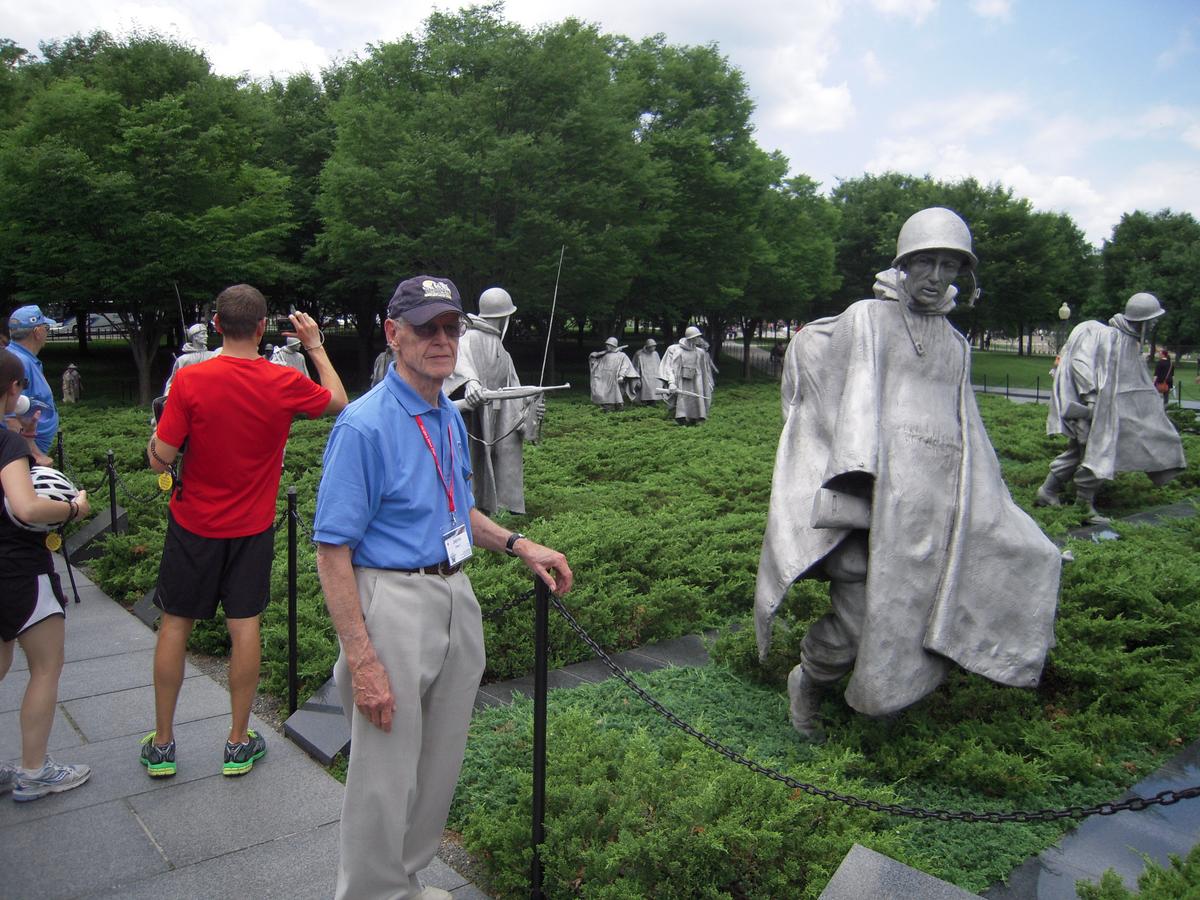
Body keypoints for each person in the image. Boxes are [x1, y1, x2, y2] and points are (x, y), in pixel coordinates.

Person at [755, 207, 1062, 741]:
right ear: (904, 263)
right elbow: (819, 379)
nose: (937, 277)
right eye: (926, 262)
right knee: (854, 622)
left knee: (921, 617)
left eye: (950, 266)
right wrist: (844, 469)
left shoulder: (958, 345)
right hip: (868, 506)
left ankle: (885, 700)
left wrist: (994, 511)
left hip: (931, 510)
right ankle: (810, 680)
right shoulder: (868, 319)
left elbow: (968, 435)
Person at [314, 274, 573, 900]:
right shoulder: (363, 425)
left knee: (438, 764)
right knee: (384, 773)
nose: (441, 339)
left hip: (456, 595)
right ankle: (372, 895)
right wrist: (363, 657)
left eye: (450, 327)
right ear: (393, 334)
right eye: (426, 327)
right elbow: (332, 552)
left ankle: (407, 880)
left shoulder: (445, 414)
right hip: (393, 603)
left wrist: (518, 544)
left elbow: (457, 512)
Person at [141, 285, 347, 779]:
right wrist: (315, 346)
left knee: (175, 623)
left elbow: (162, 458)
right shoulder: (281, 381)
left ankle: (163, 744)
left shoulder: (191, 381)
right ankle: (237, 742)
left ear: (216, 324)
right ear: (261, 328)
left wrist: (155, 445)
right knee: (244, 624)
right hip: (252, 526)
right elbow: (340, 401)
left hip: (192, 523)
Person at [0, 348, 94, 801]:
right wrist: (74, 507)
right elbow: (25, 507)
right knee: (45, 666)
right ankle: (34, 770)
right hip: (19, 569)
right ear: (13, 390)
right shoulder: (7, 444)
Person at [1036, 293, 1185, 524]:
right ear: (1142, 319)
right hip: (1098, 410)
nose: (1155, 323)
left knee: (1078, 452)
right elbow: (1080, 363)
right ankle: (1083, 505)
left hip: (1114, 410)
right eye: (1152, 319)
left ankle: (1047, 491)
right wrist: (1091, 398)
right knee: (1100, 452)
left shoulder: (1130, 342)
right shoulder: (1107, 336)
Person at [442, 286, 543, 516]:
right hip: (469, 418)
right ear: (505, 317)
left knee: (489, 459)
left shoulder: (502, 350)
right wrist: (471, 383)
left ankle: (493, 507)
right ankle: (467, 510)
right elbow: (459, 361)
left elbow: (513, 388)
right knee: (469, 461)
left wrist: (532, 402)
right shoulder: (467, 336)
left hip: (495, 418)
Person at [6, 305, 59, 465]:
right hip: (25, 457)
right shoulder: (19, 363)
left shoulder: (23, 359)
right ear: (37, 332)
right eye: (46, 328)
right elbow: (9, 417)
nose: (47, 332)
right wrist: (35, 455)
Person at [660, 326, 715, 425]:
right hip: (681, 380)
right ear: (691, 338)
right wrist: (671, 382)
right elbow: (670, 368)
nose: (699, 339)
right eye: (697, 337)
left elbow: (704, 371)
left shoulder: (700, 352)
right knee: (682, 400)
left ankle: (697, 417)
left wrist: (707, 382)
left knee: (697, 398)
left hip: (696, 380)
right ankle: (681, 419)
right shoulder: (676, 350)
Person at [162, 322, 220, 395]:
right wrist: (167, 397)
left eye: (206, 333)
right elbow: (172, 383)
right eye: (203, 334)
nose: (206, 336)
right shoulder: (183, 359)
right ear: (194, 336)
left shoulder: (212, 355)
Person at [588, 337, 639, 411]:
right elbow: (592, 357)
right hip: (605, 379)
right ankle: (607, 408)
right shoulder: (604, 355)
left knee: (617, 395)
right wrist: (603, 352)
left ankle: (618, 409)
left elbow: (625, 366)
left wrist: (621, 376)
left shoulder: (621, 355)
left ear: (614, 346)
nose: (607, 346)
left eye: (609, 345)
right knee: (605, 396)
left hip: (616, 379)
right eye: (607, 345)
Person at [631, 339, 662, 404]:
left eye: (654, 346)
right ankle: (643, 403)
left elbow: (659, 365)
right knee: (644, 391)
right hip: (644, 376)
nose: (654, 348)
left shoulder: (655, 354)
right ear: (648, 346)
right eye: (652, 346)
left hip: (654, 377)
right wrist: (637, 378)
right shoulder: (639, 354)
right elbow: (636, 367)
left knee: (654, 391)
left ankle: (652, 402)